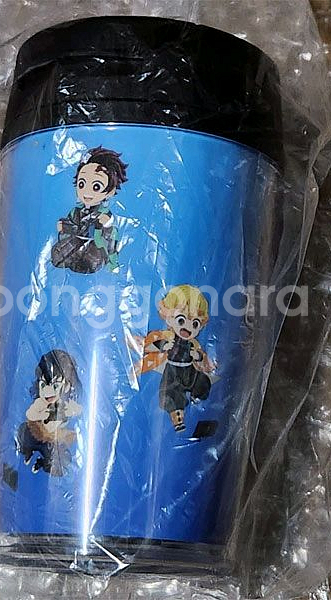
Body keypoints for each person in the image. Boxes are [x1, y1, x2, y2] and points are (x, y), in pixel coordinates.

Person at [136, 285, 216, 432]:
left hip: (189, 370)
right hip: (173, 370)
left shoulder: (193, 343)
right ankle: (178, 418)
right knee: (171, 393)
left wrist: (197, 355)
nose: (187, 328)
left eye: (195, 323)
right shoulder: (167, 337)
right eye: (181, 320)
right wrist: (163, 346)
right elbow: (149, 347)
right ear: (167, 316)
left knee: (202, 382)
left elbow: (201, 356)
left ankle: (196, 398)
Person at [51, 146, 128, 273]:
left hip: (95, 247)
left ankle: (84, 262)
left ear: (110, 191)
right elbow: (72, 225)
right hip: (76, 241)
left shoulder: (104, 215)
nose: (87, 192)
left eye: (96, 186)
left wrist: (104, 225)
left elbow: (109, 239)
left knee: (90, 262)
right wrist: (64, 226)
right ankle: (74, 259)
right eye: (82, 184)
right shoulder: (76, 211)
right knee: (57, 256)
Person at [16, 350, 82, 476]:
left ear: (67, 386)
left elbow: (78, 410)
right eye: (43, 385)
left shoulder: (67, 403)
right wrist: (44, 413)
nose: (48, 391)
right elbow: (30, 415)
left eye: (55, 386)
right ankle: (28, 451)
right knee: (24, 433)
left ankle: (43, 463)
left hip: (53, 439)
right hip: (37, 434)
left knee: (62, 460)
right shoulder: (41, 403)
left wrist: (67, 411)